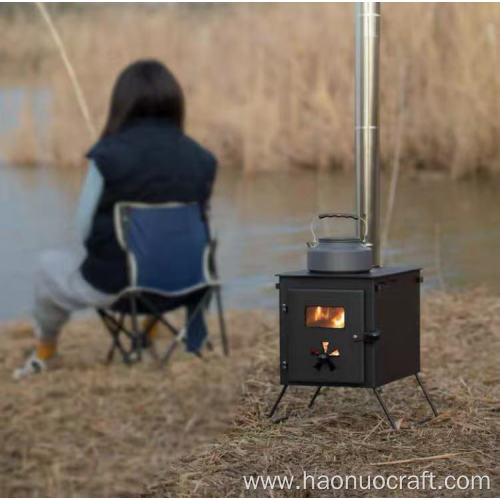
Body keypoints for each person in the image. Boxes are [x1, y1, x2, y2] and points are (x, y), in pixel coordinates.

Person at [13, 59, 217, 380]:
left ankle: (46, 351)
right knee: (165, 251)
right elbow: (200, 230)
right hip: (186, 286)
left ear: (121, 103)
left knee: (46, 266)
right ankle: (156, 330)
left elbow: (83, 230)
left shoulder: (107, 156)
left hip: (120, 290)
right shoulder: (203, 159)